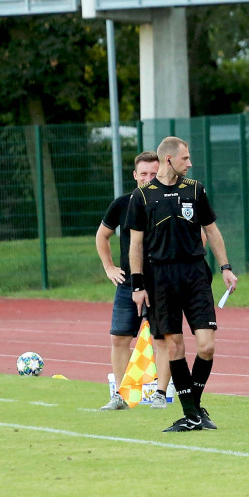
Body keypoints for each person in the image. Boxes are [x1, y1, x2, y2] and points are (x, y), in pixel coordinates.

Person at [127, 136, 238, 432]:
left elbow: (212, 232)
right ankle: (192, 416)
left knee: (207, 345)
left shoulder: (195, 190)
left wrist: (226, 267)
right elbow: (135, 244)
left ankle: (193, 408)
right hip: (160, 277)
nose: (189, 163)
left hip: (195, 275)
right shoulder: (143, 196)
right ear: (169, 160)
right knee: (174, 345)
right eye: (185, 158)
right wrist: (137, 286)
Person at [96, 152, 171, 411]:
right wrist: (109, 268)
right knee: (119, 337)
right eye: (144, 174)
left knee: (162, 339)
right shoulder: (122, 204)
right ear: (135, 176)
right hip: (128, 283)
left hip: (161, 282)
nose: (148, 179)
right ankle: (120, 394)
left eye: (154, 174)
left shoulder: (169, 202)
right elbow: (102, 236)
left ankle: (160, 394)